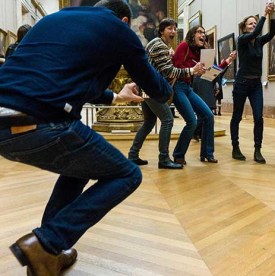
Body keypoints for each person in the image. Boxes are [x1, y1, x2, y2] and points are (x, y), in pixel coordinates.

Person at [0, 0, 172, 274]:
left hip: (5, 124)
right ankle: (46, 242)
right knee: (127, 175)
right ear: (125, 20)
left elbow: (61, 81)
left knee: (79, 168)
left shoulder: (54, 19)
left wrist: (116, 96)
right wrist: (169, 82)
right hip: (43, 121)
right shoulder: (120, 30)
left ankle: (47, 257)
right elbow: (159, 91)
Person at [128, 18, 205, 169]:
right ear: (162, 30)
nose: (173, 32)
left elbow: (160, 66)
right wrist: (192, 70)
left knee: (149, 122)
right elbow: (169, 71)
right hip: (152, 90)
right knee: (168, 120)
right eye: (169, 28)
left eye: (175, 29)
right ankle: (163, 159)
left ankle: (133, 155)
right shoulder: (159, 46)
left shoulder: (157, 44)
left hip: (147, 88)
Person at [230, 2, 275, 164]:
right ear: (244, 27)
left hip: (256, 84)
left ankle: (258, 149)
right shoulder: (242, 40)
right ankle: (235, 147)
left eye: (255, 23)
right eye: (250, 23)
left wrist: (271, 16)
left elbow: (271, 34)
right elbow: (257, 32)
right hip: (241, 83)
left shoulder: (258, 41)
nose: (253, 26)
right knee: (237, 116)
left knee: (259, 117)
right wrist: (265, 13)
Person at [171, 25, 217, 164]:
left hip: (188, 87)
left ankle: (207, 153)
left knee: (208, 116)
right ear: (192, 35)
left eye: (204, 33)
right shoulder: (184, 46)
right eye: (199, 32)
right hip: (178, 86)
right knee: (192, 121)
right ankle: (178, 154)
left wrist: (201, 71)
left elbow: (204, 71)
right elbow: (175, 68)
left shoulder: (200, 52)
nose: (202, 35)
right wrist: (193, 70)